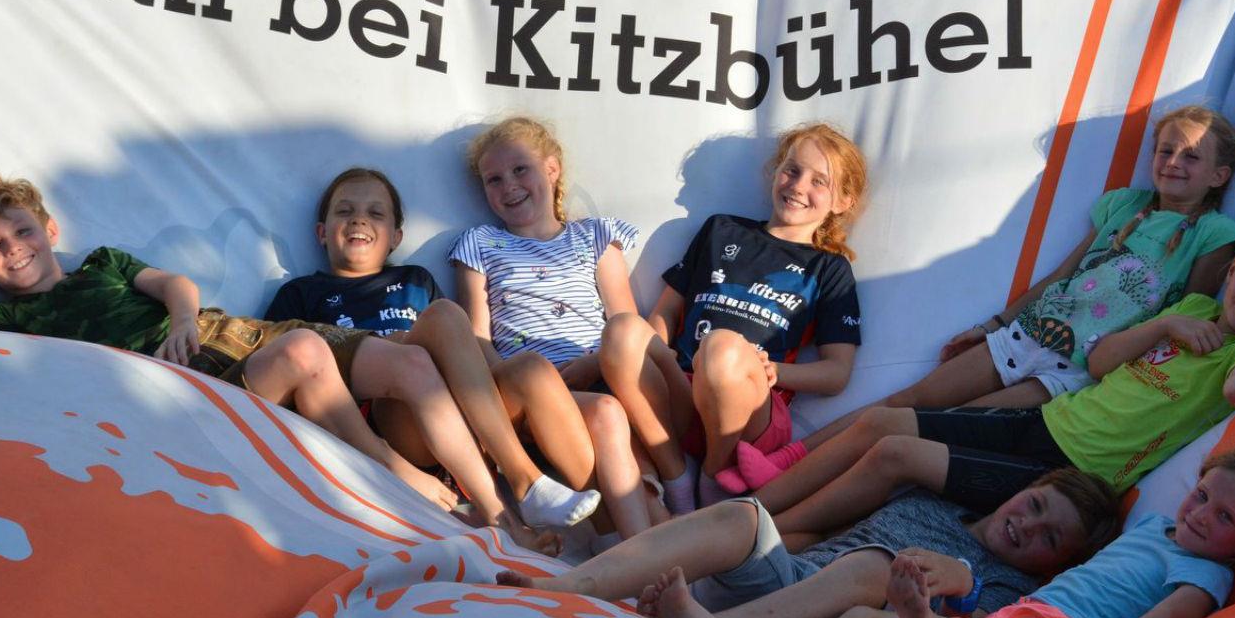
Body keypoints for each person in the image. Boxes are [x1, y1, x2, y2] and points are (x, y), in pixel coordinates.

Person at [0, 176, 584, 548]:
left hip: (240, 334)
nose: (14, 248)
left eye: (22, 230)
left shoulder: (102, 264)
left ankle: (504, 514)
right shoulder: (11, 317)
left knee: (412, 365)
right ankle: (406, 480)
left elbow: (175, 286)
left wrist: (183, 320)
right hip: (205, 388)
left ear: (50, 229)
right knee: (306, 354)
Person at [747, 106, 1235, 498]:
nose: (1173, 162)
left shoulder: (1215, 233)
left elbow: (1189, 314)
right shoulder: (1125, 205)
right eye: (1165, 150)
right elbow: (1062, 275)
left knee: (942, 431)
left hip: (1075, 371)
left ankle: (808, 496)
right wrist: (993, 325)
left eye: (1191, 156)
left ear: (1219, 175)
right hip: (1028, 333)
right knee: (905, 401)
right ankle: (786, 461)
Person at [756, 228, 1235, 538]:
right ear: (1233, 271)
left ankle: (767, 533)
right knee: (882, 423)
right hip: (1044, 423)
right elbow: (1103, 361)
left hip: (1072, 471)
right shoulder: (1192, 309)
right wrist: (1165, 324)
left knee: (895, 455)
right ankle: (753, 507)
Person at [642, 449, 1235, 618]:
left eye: (1225, 519)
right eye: (1203, 495)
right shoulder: (1158, 528)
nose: (1201, 515)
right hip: (1025, 615)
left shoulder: (1209, 574)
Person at [269, 166, 644, 535]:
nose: (359, 220)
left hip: (461, 411)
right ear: (322, 232)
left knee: (530, 369)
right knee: (444, 317)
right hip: (390, 417)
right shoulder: (301, 294)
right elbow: (294, 370)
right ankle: (523, 480)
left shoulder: (415, 280)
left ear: (396, 237)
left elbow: (458, 350)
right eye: (345, 211)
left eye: (376, 213)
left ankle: (607, 536)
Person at [596, 123, 869, 514]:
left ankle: (715, 475)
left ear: (842, 201)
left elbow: (836, 373)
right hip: (683, 392)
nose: (798, 185)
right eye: (792, 170)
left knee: (722, 346)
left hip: (752, 411)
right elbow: (666, 312)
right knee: (623, 329)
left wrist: (774, 371)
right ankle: (676, 475)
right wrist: (655, 353)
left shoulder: (829, 269)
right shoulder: (720, 230)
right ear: (776, 171)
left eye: (818, 181)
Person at [497, 467, 1119, 618]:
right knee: (744, 515)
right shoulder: (932, 503)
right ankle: (565, 588)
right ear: (1023, 491)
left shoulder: (1019, 587)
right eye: (1035, 505)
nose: (1027, 526)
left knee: (880, 567)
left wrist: (964, 580)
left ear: (1060, 563)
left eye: (1050, 537)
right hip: (791, 579)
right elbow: (825, 533)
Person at [451, 119, 661, 533]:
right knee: (603, 413)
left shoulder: (595, 236)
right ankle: (637, 544)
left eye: (520, 170)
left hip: (593, 378)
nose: (509, 186)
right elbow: (477, 338)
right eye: (494, 179)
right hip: (522, 388)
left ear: (552, 169)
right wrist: (514, 385)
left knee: (610, 416)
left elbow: (626, 323)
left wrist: (593, 364)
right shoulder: (479, 243)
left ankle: (632, 541)